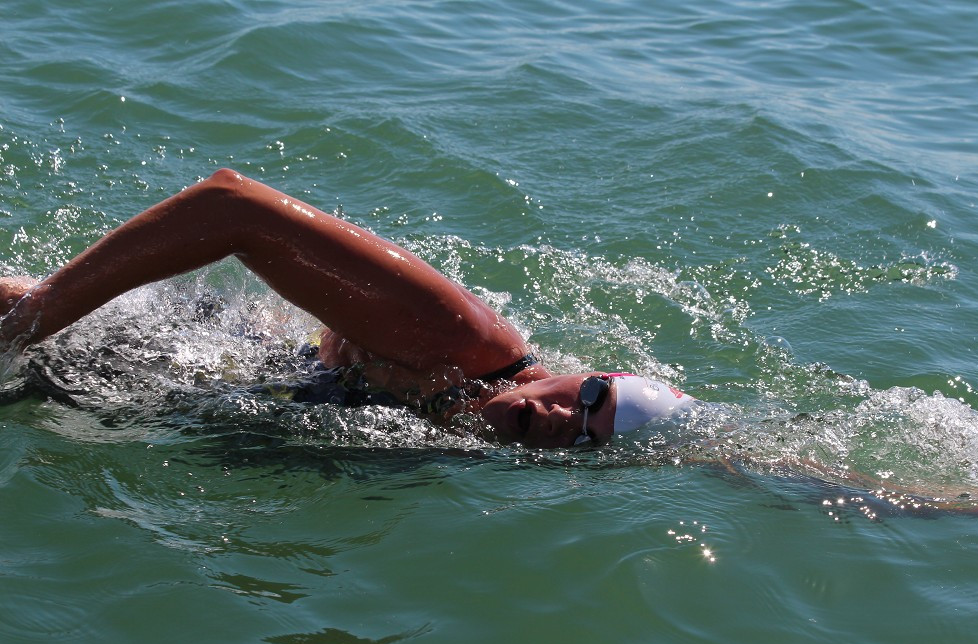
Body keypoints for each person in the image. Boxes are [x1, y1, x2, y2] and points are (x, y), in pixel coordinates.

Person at [0, 169, 693, 448]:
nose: (559, 416)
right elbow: (230, 206)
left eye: (585, 434)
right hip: (177, 352)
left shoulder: (473, 432)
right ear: (595, 369)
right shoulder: (463, 342)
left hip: (181, 400)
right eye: (591, 394)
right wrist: (28, 322)